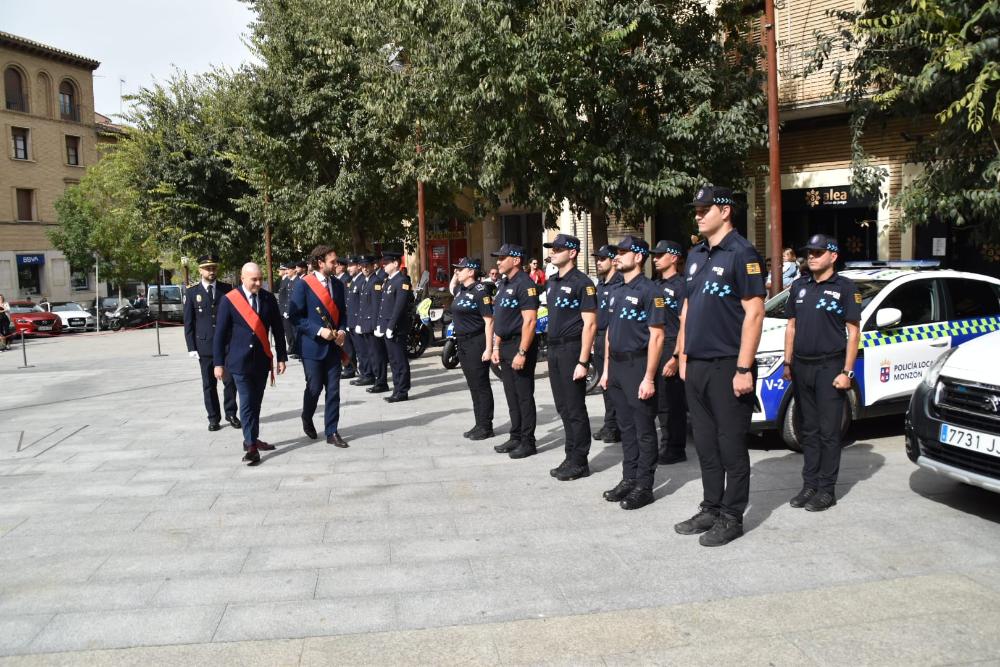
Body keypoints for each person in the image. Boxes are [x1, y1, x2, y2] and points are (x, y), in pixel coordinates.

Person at [675, 185, 765, 546]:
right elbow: (687, 309)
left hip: (728, 365)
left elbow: (755, 312)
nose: (698, 214)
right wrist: (682, 355)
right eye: (696, 209)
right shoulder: (696, 254)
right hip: (696, 364)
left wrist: (743, 368)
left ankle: (732, 516)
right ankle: (711, 506)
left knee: (730, 446)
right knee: (707, 446)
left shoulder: (742, 253)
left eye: (704, 208)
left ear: (725, 211)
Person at [784, 234, 861, 511]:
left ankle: (826, 489)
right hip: (802, 366)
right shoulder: (799, 286)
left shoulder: (845, 288)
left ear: (833, 255)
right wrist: (787, 362)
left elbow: (853, 334)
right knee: (809, 429)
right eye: (809, 252)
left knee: (829, 432)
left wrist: (847, 372)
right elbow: (791, 326)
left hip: (830, 367)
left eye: (818, 252)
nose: (812, 256)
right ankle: (810, 485)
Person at [598, 236, 665, 510]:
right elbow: (610, 333)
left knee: (643, 429)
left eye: (624, 252)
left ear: (638, 256)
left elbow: (657, 336)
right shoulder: (615, 289)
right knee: (626, 428)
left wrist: (649, 377)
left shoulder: (651, 291)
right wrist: (605, 370)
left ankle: (644, 485)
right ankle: (629, 478)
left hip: (638, 365)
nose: (618, 256)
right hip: (616, 366)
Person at [213, 262, 288, 465]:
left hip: (262, 360)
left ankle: (253, 438)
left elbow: (278, 330)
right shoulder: (229, 300)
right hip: (239, 361)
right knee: (246, 402)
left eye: (260, 278)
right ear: (242, 278)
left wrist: (282, 356)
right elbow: (219, 334)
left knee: (256, 402)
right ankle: (251, 445)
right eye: (254, 279)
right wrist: (218, 363)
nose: (258, 283)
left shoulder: (268, 298)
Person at [543, 234, 598, 481]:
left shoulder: (582, 283)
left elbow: (590, 324)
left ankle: (580, 461)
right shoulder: (552, 281)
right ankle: (570, 454)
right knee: (563, 407)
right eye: (551, 249)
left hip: (571, 349)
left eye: (557, 249)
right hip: (553, 349)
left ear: (572, 252)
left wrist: (583, 361)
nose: (552, 252)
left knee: (575, 407)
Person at [289, 245, 350, 448]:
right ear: (320, 262)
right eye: (332, 261)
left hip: (333, 348)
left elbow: (342, 315)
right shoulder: (303, 285)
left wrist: (342, 331)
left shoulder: (339, 285)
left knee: (333, 390)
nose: (336, 265)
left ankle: (332, 431)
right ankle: (307, 416)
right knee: (314, 388)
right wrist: (318, 330)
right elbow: (296, 317)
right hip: (312, 347)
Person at [490, 243, 540, 459]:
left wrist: (522, 352)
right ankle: (516, 435)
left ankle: (528, 441)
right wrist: (495, 345)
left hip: (521, 343)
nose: (498, 261)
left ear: (516, 260)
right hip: (505, 344)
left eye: (503, 258)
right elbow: (501, 318)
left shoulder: (525, 284)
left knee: (523, 395)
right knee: (511, 394)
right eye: (498, 258)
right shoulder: (504, 283)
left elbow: (529, 321)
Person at [183, 254, 239, 432]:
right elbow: (189, 322)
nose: (211, 271)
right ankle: (213, 417)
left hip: (227, 345)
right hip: (205, 346)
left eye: (214, 267)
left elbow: (234, 317)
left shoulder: (227, 289)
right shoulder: (192, 292)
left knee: (230, 382)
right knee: (209, 384)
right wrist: (191, 347)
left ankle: (231, 413)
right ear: (200, 270)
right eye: (207, 268)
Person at [449, 257, 496, 440]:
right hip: (462, 343)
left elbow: (489, 321)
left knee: (481, 385)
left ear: (471, 272)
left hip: (477, 342)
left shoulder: (480, 291)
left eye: (460, 269)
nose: (457, 272)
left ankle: (486, 426)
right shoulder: (461, 290)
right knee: (473, 385)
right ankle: (479, 423)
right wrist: (455, 275)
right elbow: (451, 287)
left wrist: (489, 348)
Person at [651, 240, 688, 464]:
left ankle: (675, 447)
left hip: (673, 343)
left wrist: (676, 356)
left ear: (674, 257)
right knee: (659, 400)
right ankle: (666, 442)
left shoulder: (681, 285)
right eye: (654, 255)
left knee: (672, 401)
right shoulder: (655, 286)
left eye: (660, 255)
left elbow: (686, 322)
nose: (655, 258)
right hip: (657, 343)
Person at [591, 245, 623, 444]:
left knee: (613, 383)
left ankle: (617, 426)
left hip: (614, 337)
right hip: (600, 337)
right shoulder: (601, 284)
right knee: (605, 385)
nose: (598, 262)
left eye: (602, 259)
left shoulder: (619, 284)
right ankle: (610, 422)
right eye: (597, 258)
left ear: (612, 260)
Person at [375, 250, 413, 402]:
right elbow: (384, 306)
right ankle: (397, 389)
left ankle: (402, 391)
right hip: (387, 327)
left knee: (400, 360)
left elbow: (399, 306)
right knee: (393, 360)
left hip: (396, 328)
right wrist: (380, 325)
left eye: (387, 262)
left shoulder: (402, 281)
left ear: (396, 263)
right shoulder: (389, 280)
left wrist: (391, 326)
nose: (384, 265)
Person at [360, 255, 389, 393]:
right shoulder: (367, 281)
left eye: (367, 266)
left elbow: (376, 306)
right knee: (372, 354)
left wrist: (376, 325)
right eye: (363, 266)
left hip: (372, 325)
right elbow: (363, 305)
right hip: (366, 324)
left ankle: (381, 382)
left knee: (377, 355)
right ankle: (378, 380)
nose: (364, 268)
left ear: (373, 266)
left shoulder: (376, 281)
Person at [348, 256, 374, 386]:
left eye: (351, 265)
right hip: (353, 321)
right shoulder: (355, 281)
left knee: (364, 351)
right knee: (359, 351)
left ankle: (368, 374)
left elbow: (362, 305)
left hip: (360, 321)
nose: (349, 268)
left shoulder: (362, 281)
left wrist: (359, 322)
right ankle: (363, 373)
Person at [334, 256, 357, 379]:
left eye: (337, 265)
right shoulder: (338, 279)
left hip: (347, 315)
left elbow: (347, 299)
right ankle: (346, 366)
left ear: (341, 267)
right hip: (340, 314)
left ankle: (350, 369)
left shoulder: (346, 279)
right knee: (342, 344)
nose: (335, 267)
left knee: (347, 345)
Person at [277, 262, 299, 359]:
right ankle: (294, 348)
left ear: (294, 270)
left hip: (292, 310)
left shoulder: (295, 281)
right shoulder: (289, 281)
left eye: (288, 269)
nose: (286, 271)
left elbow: (291, 298)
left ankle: (295, 349)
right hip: (285, 309)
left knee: (294, 331)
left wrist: (287, 310)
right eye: (285, 269)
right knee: (289, 330)